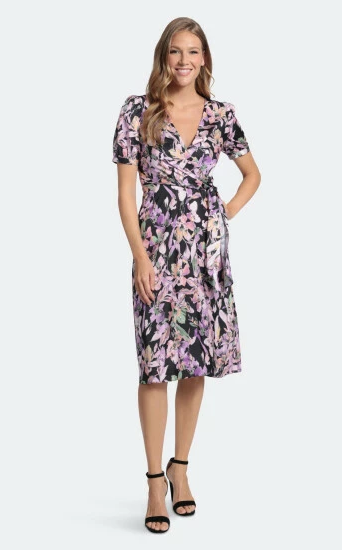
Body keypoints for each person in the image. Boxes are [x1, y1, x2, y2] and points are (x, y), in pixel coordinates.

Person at [111, 16, 261, 534]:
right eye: (175, 51)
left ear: (204, 59)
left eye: (193, 52)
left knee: (196, 362)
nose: (183, 61)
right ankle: (155, 481)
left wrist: (224, 214)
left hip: (205, 257)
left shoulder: (221, 115)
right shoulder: (138, 111)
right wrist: (140, 256)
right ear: (163, 56)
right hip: (156, 251)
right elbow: (125, 194)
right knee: (155, 365)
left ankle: (181, 468)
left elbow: (252, 175)